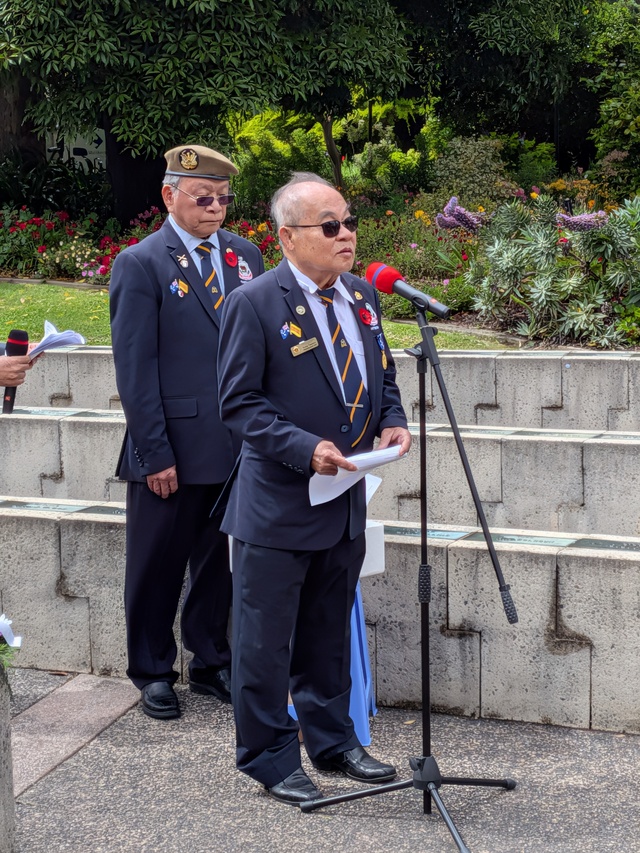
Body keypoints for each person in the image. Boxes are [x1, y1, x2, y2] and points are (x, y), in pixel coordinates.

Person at [217, 172, 411, 805]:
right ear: (288, 237)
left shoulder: (361, 297)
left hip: (345, 499)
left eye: (348, 221)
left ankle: (334, 740)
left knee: (329, 630)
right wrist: (305, 449)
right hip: (279, 505)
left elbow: (381, 376)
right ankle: (270, 757)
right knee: (265, 643)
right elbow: (239, 403)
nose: (346, 235)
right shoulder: (255, 303)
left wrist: (393, 421)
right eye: (329, 226)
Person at [109, 144, 264, 720]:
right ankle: (151, 670)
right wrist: (154, 452)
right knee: (156, 565)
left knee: (219, 563)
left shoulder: (245, 256)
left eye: (224, 198)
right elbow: (135, 367)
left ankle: (210, 660)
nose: (216, 207)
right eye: (204, 197)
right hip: (170, 445)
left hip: (236, 444)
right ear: (169, 195)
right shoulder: (141, 263)